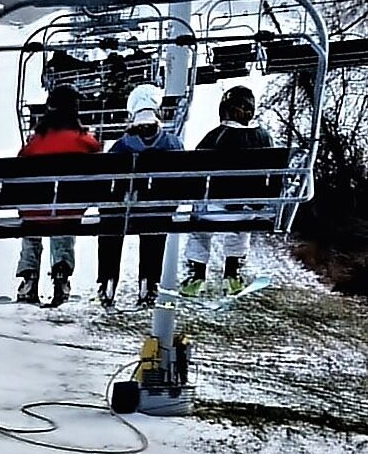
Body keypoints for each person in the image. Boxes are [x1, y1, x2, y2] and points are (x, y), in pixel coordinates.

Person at [181, 85, 274, 297]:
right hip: (246, 211)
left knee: (200, 228)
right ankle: (231, 275)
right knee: (241, 228)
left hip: (214, 210)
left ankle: (197, 277)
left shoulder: (217, 136)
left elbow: (194, 169)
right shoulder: (264, 138)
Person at [95, 84, 183, 308]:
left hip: (122, 215)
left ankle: (107, 279)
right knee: (157, 222)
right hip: (156, 214)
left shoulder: (120, 147)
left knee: (110, 222)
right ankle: (149, 281)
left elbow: (106, 187)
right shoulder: (172, 144)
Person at [14, 84, 102, 307]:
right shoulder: (83, 140)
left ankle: (29, 277)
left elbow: (19, 163)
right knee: (64, 212)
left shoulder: (37, 141)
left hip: (36, 213)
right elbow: (99, 156)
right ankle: (61, 274)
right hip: (67, 211)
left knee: (33, 216)